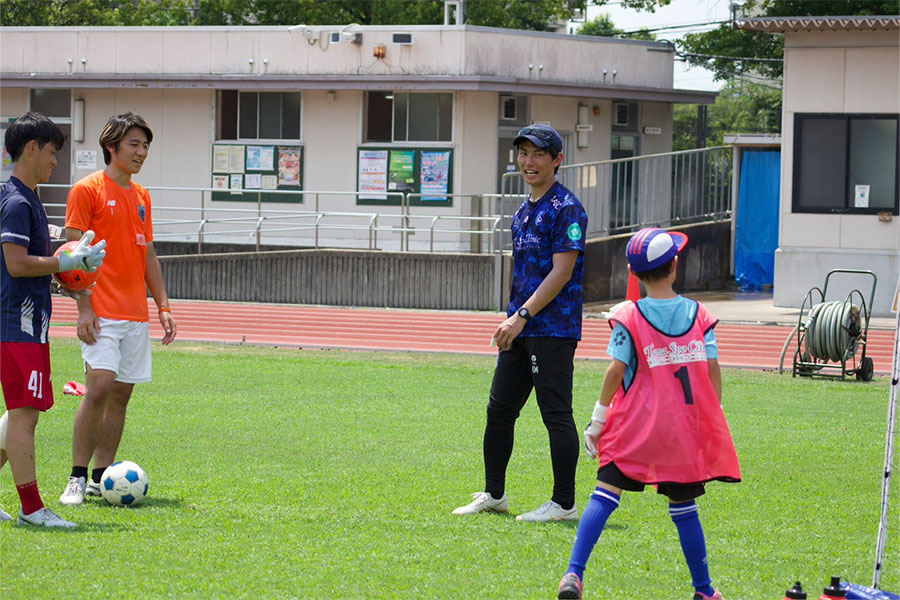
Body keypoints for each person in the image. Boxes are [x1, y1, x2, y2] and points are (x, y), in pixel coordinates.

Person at [555, 227, 742, 600]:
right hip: (683, 432)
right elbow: (712, 370)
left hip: (637, 429)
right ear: (674, 267)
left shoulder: (628, 316)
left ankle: (573, 574)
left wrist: (597, 421)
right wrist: (712, 415)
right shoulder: (699, 314)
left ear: (632, 272)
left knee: (604, 494)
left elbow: (614, 372)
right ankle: (704, 591)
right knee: (684, 508)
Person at [453, 124, 588, 522]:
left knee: (556, 415)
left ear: (557, 160)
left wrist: (522, 315)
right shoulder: (524, 209)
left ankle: (564, 503)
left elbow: (561, 272)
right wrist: (514, 317)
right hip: (521, 327)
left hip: (552, 329)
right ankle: (495, 495)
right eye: (523, 153)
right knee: (499, 411)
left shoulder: (567, 208)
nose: (529, 162)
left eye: (538, 154)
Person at [59, 112, 177, 506]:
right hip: (101, 312)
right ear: (112, 146)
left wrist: (162, 305)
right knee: (98, 389)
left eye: (145, 146)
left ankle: (100, 476)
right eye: (134, 144)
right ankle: (76, 477)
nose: (141, 152)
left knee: (121, 397)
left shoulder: (142, 197)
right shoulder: (86, 189)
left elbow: (148, 256)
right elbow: (71, 255)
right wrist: (83, 308)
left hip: (134, 314)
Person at [1, 111, 106, 527]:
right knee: (25, 414)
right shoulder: (15, 201)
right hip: (17, 325)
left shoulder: (28, 199)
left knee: (21, 413)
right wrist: (64, 258)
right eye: (51, 151)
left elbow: (42, 266)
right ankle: (32, 509)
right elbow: (16, 264)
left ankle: (29, 505)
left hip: (29, 324)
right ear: (31, 148)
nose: (54, 161)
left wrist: (73, 276)